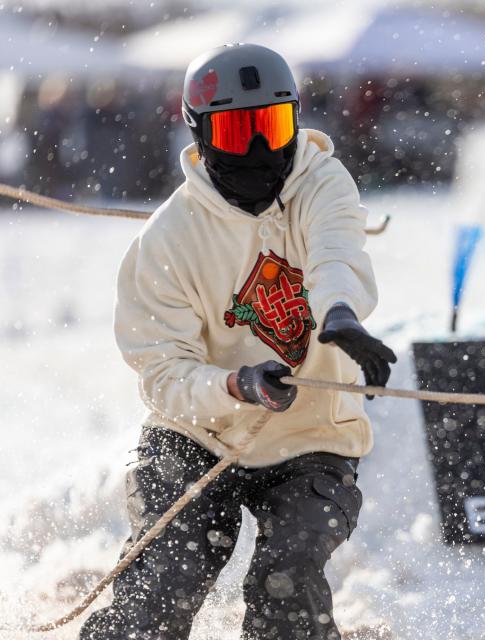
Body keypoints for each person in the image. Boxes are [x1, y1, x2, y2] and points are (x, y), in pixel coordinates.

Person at [79, 43, 396, 640]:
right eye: (236, 130)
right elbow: (164, 375)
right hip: (197, 434)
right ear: (200, 132)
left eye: (271, 125)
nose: (258, 148)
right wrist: (234, 384)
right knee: (160, 589)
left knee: (287, 588)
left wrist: (342, 316)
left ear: (295, 120)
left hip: (312, 437)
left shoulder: (320, 181)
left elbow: (335, 251)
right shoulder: (167, 240)